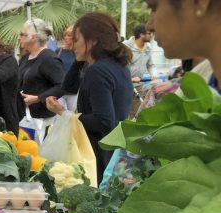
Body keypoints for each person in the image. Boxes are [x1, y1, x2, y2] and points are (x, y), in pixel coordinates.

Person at [46, 12, 133, 182]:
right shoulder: (117, 66)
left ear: (93, 40)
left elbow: (104, 120)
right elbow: (68, 86)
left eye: (76, 40)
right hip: (113, 154)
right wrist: (82, 57)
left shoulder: (97, 71)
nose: (72, 46)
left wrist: (65, 114)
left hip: (96, 157)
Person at [145, 0, 221, 89]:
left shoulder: (197, 84)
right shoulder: (199, 80)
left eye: (154, 8)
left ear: (200, 2)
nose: (149, 26)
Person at [18, 18, 65, 121]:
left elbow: (62, 86)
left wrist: (38, 98)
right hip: (26, 116)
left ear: (33, 37)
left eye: (22, 34)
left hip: (44, 118)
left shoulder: (49, 58)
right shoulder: (25, 58)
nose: (19, 37)